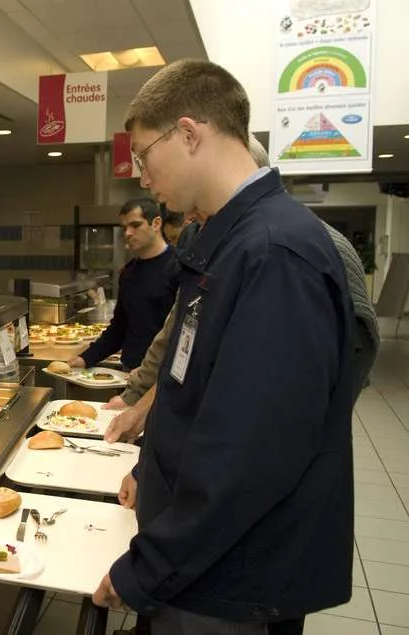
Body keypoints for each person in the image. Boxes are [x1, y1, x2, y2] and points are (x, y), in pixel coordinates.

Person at [91, 59, 355, 635]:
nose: (140, 175)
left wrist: (146, 568)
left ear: (188, 134)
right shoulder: (225, 240)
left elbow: (249, 456)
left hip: (227, 579)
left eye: (143, 154)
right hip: (196, 557)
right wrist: (151, 465)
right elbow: (190, 384)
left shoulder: (275, 253)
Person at [104, 134, 379, 444]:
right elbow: (180, 333)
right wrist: (139, 401)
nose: (189, 218)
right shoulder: (202, 236)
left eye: (201, 202)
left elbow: (353, 352)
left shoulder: (305, 247)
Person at [68, 198, 177, 371]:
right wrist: (86, 359)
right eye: (124, 228)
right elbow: (119, 327)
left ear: (156, 224)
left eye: (135, 225)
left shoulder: (179, 267)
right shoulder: (129, 273)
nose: (128, 233)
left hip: (163, 376)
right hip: (129, 371)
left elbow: (182, 333)